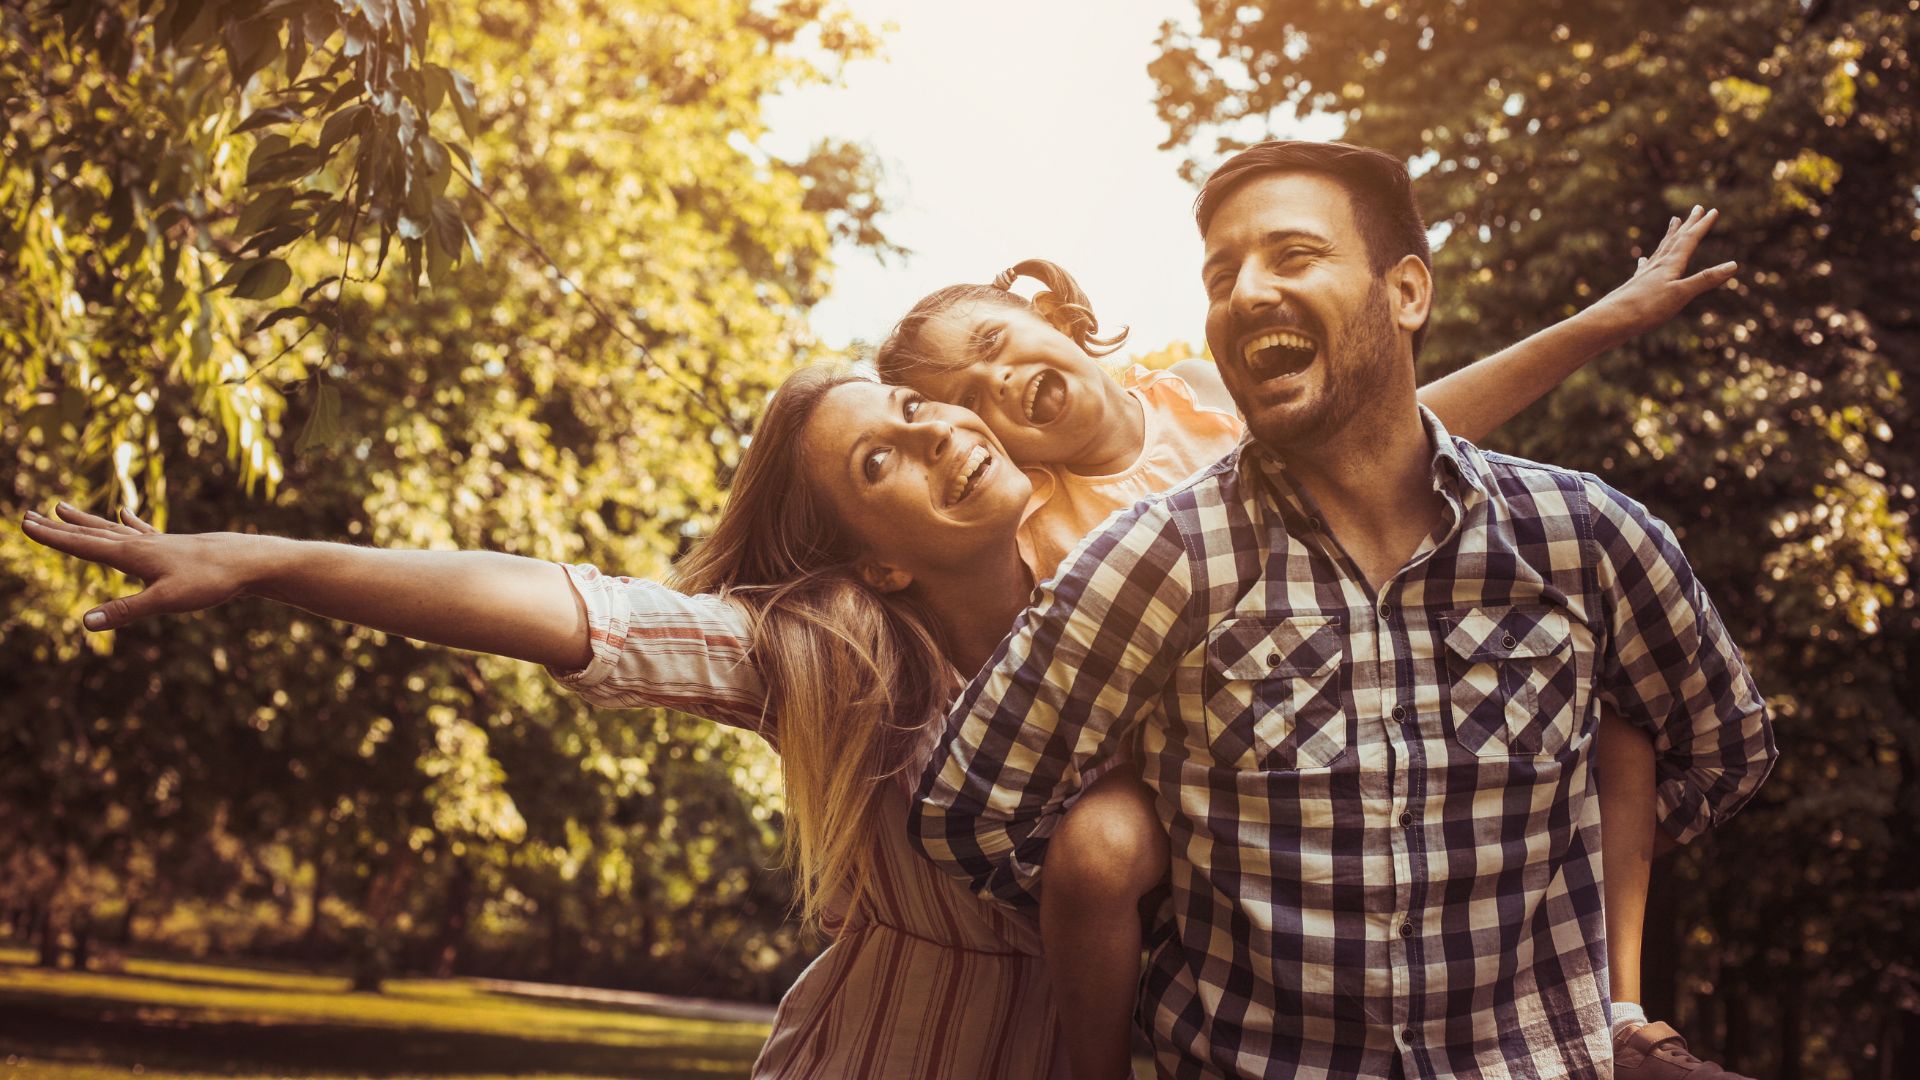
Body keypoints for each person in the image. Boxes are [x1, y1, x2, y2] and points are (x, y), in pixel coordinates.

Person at [19, 183, 1721, 1079]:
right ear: (873, 554)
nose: (952, 429)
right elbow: (546, 604)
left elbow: (1416, 436)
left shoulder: (1166, 594)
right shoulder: (824, 655)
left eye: (946, 404)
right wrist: (259, 552)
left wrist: (1609, 319)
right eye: (888, 453)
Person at [909, 140, 1776, 1080]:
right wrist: (1186, 897)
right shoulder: (1142, 556)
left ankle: (1621, 1014)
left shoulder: (1583, 537)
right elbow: (972, 814)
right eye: (1221, 274)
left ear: (1406, 292)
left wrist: (1553, 878)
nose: (1244, 292)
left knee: (1621, 727)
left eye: (1292, 256)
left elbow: (1722, 747)